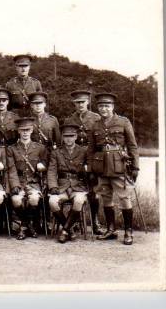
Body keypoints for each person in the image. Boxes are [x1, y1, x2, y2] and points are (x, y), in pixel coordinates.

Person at [87, 93, 139, 245]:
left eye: (107, 106)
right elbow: (91, 149)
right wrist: (90, 169)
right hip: (101, 166)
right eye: (101, 106)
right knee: (106, 197)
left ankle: (128, 231)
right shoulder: (95, 125)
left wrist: (135, 166)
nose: (104, 109)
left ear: (113, 107)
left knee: (124, 197)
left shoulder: (123, 122)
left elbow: (132, 145)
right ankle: (111, 229)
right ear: (98, 108)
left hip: (119, 165)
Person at [65, 89, 104, 235]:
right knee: (73, 189)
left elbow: (99, 141)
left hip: (91, 158)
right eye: (77, 102)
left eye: (82, 102)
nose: (80, 105)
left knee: (93, 192)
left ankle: (95, 222)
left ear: (88, 102)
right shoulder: (69, 120)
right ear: (73, 103)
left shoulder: (96, 118)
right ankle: (75, 223)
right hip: (74, 159)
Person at [7, 117, 48, 240]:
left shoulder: (40, 148)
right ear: (18, 131)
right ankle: (28, 225)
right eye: (22, 130)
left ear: (32, 130)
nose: (25, 132)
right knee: (16, 200)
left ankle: (24, 226)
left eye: (27, 130)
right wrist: (14, 185)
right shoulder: (11, 149)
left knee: (34, 199)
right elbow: (11, 169)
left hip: (33, 182)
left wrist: (43, 166)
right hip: (19, 182)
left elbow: (46, 165)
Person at [47, 123, 89, 243]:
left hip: (78, 186)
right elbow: (51, 171)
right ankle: (69, 230)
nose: (69, 139)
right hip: (62, 187)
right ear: (62, 137)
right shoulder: (56, 152)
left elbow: (90, 169)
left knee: (79, 201)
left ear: (76, 137)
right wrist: (53, 186)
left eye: (72, 136)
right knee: (52, 201)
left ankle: (64, 230)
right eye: (66, 136)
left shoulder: (83, 151)